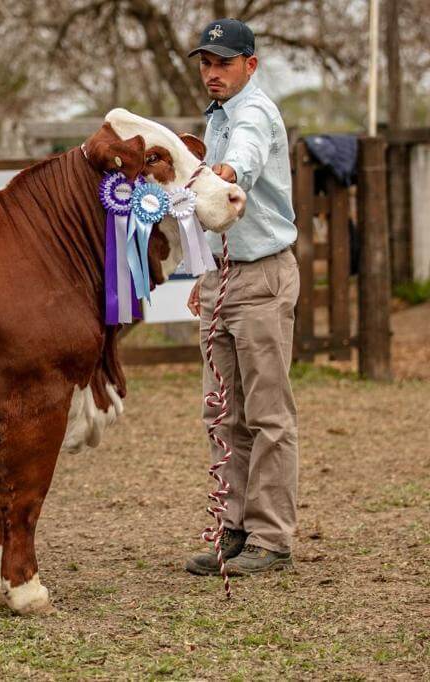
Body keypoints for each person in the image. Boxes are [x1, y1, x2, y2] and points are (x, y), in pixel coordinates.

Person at [183, 19, 300, 577]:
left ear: (250, 65)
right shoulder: (213, 120)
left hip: (261, 279)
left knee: (268, 413)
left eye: (223, 62)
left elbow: (243, 163)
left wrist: (223, 174)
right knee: (222, 412)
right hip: (224, 278)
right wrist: (204, 273)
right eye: (206, 62)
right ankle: (232, 528)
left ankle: (272, 538)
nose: (212, 72)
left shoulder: (254, 112)